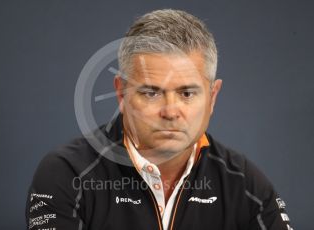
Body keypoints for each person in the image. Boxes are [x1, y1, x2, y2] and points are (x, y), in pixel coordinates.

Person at [26, 9, 293, 230]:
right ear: (121, 93)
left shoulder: (246, 185)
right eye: (152, 92)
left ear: (212, 98)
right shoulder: (67, 174)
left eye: (187, 93)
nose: (170, 111)